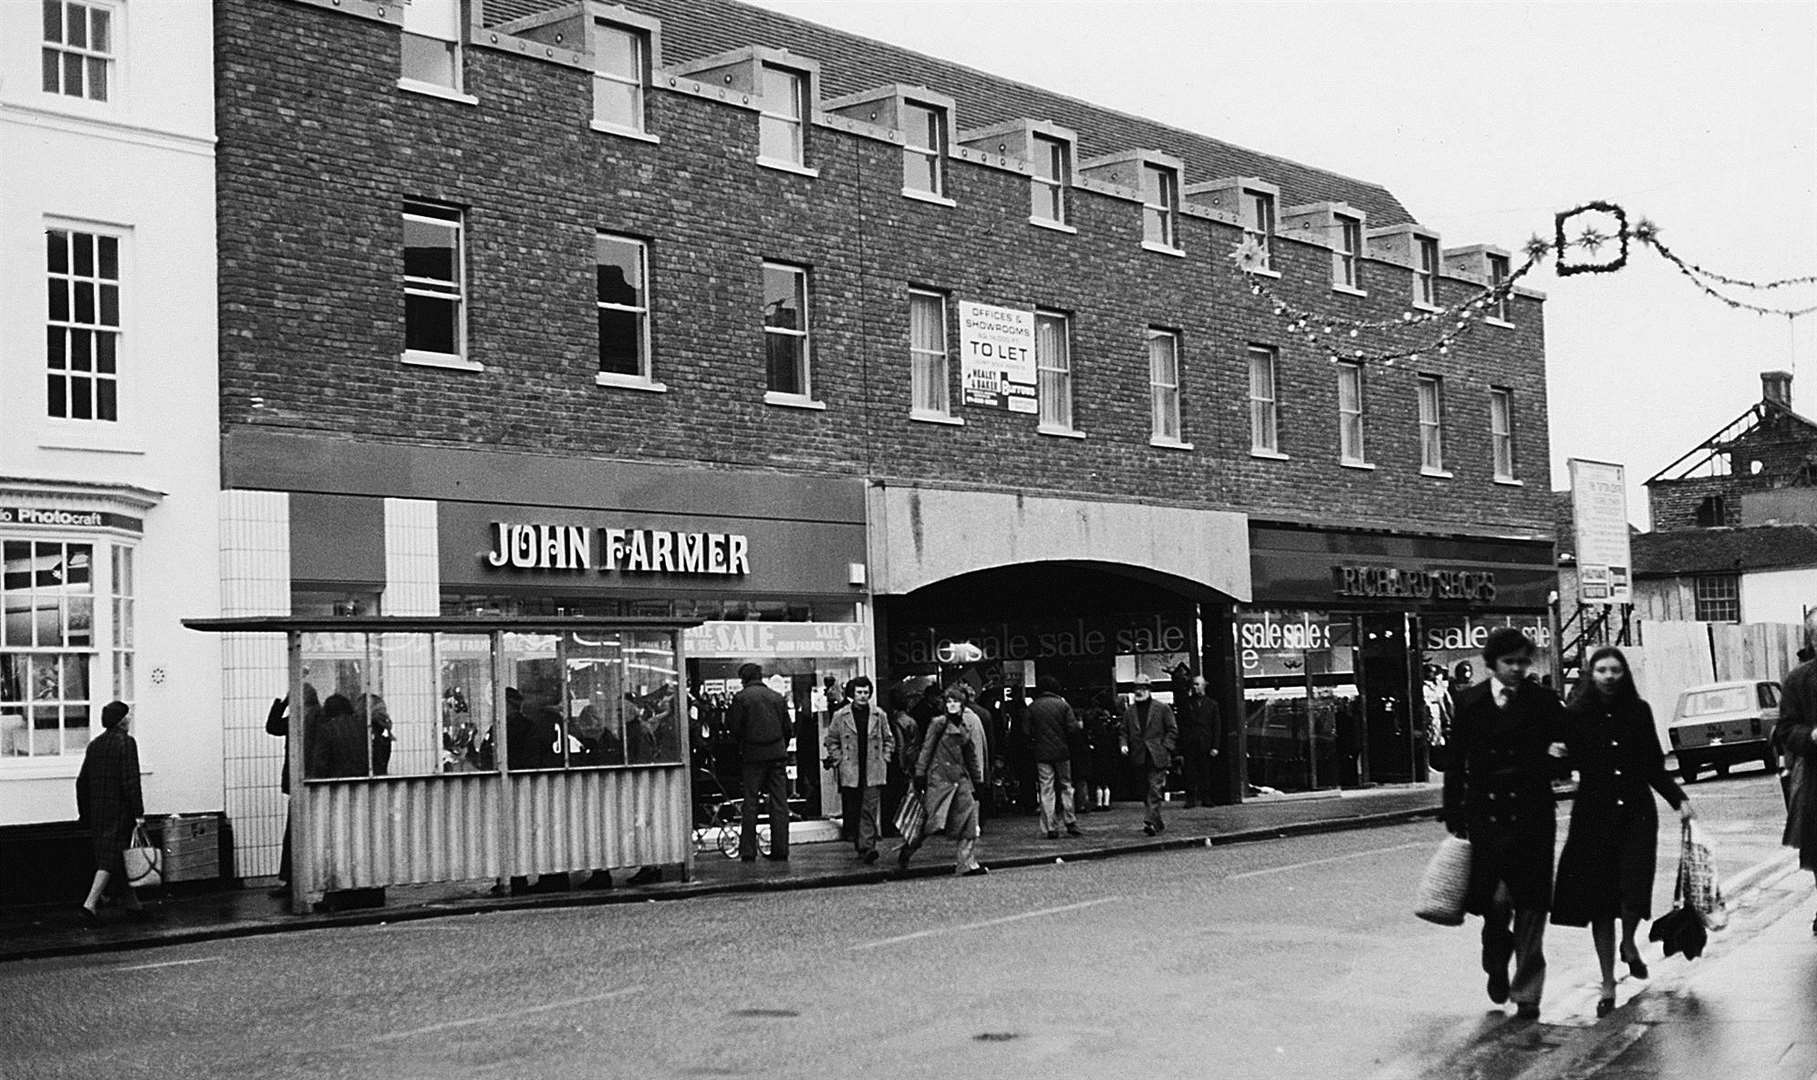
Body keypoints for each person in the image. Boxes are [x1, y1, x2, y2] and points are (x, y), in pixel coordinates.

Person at [1551, 646, 1693, 1018]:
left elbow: (1653, 766)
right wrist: (1555, 753)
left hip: (1636, 814)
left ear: (1624, 674)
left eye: (1615, 670)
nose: (1609, 676)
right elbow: (1564, 761)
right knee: (1601, 903)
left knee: (1633, 893)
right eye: (1601, 670)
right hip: (1594, 817)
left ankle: (1629, 942)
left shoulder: (1639, 711)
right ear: (1591, 674)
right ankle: (1608, 981)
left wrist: (1679, 800)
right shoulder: (1576, 714)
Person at [1442, 628, 1568, 1021]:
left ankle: (1528, 991)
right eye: (1509, 662)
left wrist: (1549, 759)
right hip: (1487, 817)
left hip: (1532, 816)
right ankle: (1496, 960)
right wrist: (1454, 812)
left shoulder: (1544, 701)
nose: (1517, 669)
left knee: (1532, 905)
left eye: (1523, 662)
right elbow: (1455, 761)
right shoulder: (1470, 702)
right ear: (1491, 664)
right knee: (1495, 904)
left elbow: (1565, 753)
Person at [900, 686, 988, 875]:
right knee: (931, 823)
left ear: (962, 704)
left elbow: (970, 754)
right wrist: (920, 774)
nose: (952, 705)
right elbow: (927, 748)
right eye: (949, 701)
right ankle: (908, 848)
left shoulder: (964, 725)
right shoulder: (938, 724)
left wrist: (978, 780)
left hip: (959, 780)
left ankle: (966, 863)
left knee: (968, 822)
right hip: (940, 779)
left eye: (955, 701)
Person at [76, 701, 147, 925]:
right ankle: (89, 904)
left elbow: (82, 782)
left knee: (116, 857)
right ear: (121, 720)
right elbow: (130, 780)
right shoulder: (126, 743)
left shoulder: (94, 745)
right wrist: (139, 813)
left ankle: (133, 904)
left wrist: (84, 812)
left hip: (98, 811)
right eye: (127, 716)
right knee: (109, 859)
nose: (130, 719)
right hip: (120, 811)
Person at [1775, 609, 1817, 932]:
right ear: (1813, 641)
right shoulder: (1798, 680)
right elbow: (1785, 731)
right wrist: (1812, 735)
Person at [824, 676, 894, 864]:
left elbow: (888, 739)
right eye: (859, 692)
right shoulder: (841, 715)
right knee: (854, 809)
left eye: (866, 692)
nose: (863, 696)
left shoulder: (879, 715)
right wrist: (839, 759)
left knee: (869, 809)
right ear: (852, 694)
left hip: (873, 767)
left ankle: (867, 846)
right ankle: (858, 841)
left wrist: (885, 757)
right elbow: (831, 740)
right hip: (851, 767)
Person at [730, 662, 791, 862]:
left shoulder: (741, 698)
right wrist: (780, 745)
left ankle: (748, 851)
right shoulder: (777, 698)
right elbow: (788, 729)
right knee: (779, 803)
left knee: (751, 802)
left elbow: (734, 728)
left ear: (744, 679)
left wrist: (742, 745)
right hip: (777, 754)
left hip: (752, 755)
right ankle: (780, 849)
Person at [264, 683, 320, 898]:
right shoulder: (316, 717)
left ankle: (290, 881)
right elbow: (273, 727)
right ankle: (297, 880)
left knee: (293, 834)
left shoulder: (298, 720)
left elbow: (272, 726)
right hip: (311, 783)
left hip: (299, 784)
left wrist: (284, 702)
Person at [1026, 675, 1083, 839]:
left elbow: (1026, 731)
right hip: (1062, 752)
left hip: (1042, 754)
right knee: (1066, 785)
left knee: (1046, 788)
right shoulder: (1063, 706)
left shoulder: (1033, 708)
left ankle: (1050, 826)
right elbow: (1073, 730)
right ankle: (1070, 821)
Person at [1121, 674, 1178, 836]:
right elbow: (1123, 731)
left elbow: (1172, 730)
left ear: (1149, 690)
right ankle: (1156, 822)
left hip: (1156, 755)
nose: (1139, 691)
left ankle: (1149, 821)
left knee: (1155, 789)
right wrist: (1124, 745)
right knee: (1145, 791)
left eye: (1143, 688)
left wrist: (1165, 747)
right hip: (1139, 756)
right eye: (1137, 688)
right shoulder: (1129, 712)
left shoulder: (1162, 708)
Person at [1178, 675, 1223, 808]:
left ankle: (1206, 797)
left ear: (1204, 686)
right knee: (1190, 771)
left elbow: (1216, 726)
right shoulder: (1186, 703)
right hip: (1190, 742)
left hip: (1205, 742)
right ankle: (1191, 798)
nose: (1195, 687)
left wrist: (1215, 746)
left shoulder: (1212, 704)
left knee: (1206, 771)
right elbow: (1182, 724)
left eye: (1198, 684)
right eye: (1194, 685)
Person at [307, 693, 373, 779]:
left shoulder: (327, 729)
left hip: (336, 783)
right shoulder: (363, 726)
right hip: (364, 781)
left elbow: (320, 763)